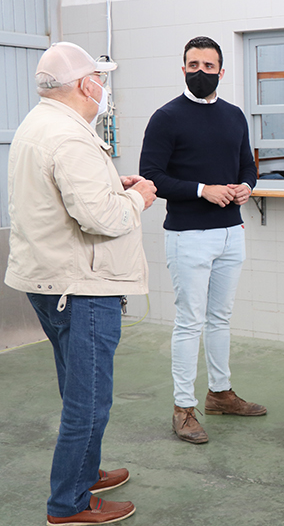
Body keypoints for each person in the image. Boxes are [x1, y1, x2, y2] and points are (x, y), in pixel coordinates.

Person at [5, 42, 157, 524]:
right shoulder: (69, 137)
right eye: (99, 78)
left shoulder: (38, 124)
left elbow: (68, 197)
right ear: (84, 84)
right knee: (88, 401)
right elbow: (102, 219)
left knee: (77, 388)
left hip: (50, 282)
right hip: (82, 289)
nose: (103, 87)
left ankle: (85, 473)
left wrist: (113, 187)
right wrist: (138, 199)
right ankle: (68, 504)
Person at [140, 36, 264, 445]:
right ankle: (183, 408)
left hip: (231, 232)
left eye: (208, 66)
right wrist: (201, 190)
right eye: (193, 65)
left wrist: (246, 186)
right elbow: (151, 177)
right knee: (189, 322)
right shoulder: (166, 117)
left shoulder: (234, 116)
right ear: (183, 69)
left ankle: (220, 394)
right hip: (188, 235)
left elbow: (247, 164)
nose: (200, 72)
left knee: (220, 318)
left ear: (221, 72)